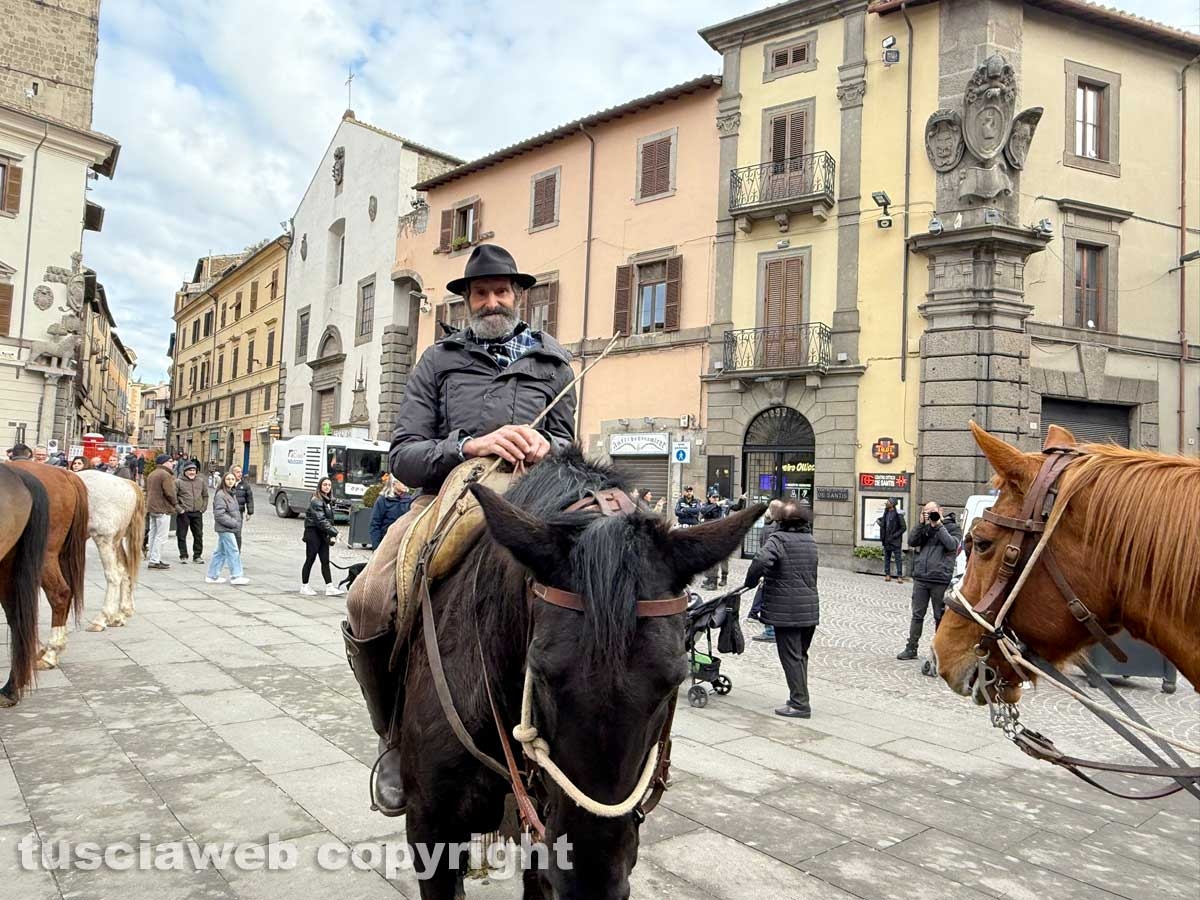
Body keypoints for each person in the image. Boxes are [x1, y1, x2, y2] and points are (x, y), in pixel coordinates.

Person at [343, 244, 576, 817]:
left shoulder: (556, 364)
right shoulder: (437, 360)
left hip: (536, 502)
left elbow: (573, 447)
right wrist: (470, 445)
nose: (492, 300)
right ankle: (394, 737)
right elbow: (404, 454)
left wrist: (550, 447)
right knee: (367, 599)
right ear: (467, 300)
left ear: (518, 296)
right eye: (481, 293)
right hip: (449, 496)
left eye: (501, 291)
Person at [744, 500, 819, 719]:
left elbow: (760, 560)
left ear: (782, 521)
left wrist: (751, 581)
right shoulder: (810, 540)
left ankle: (799, 704)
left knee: (790, 656)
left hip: (787, 609)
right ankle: (800, 697)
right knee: (800, 655)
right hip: (809, 608)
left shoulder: (779, 539)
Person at [896, 501, 962, 660]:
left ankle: (940, 653)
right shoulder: (924, 528)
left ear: (941, 510)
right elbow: (912, 541)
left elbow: (952, 545)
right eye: (926, 512)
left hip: (940, 579)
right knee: (917, 614)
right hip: (921, 578)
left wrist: (939, 525)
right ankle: (911, 648)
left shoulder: (953, 527)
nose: (930, 514)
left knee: (940, 616)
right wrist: (920, 524)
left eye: (933, 511)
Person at [749, 499, 785, 642]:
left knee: (769, 598)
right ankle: (771, 629)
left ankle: (771, 629)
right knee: (770, 598)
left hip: (772, 569)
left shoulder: (770, 526)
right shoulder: (775, 527)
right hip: (774, 569)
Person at [301, 477, 343, 597]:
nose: (327, 487)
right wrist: (335, 532)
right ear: (320, 486)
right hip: (313, 532)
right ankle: (304, 586)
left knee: (325, 560)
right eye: (324, 485)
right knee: (310, 559)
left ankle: (329, 587)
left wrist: (331, 534)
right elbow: (321, 520)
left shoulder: (327, 500)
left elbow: (328, 521)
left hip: (322, 533)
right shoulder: (316, 500)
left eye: (329, 485)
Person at [207, 472, 250, 585]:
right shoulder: (221, 494)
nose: (230, 481)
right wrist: (233, 523)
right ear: (223, 481)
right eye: (228, 479)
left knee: (220, 552)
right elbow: (219, 514)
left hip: (228, 527)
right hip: (225, 527)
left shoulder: (232, 493)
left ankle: (212, 575)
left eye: (232, 479)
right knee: (233, 550)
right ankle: (236, 575)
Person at [699, 488, 746, 589]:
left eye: (717, 497)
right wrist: (716, 505)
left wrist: (741, 500)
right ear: (709, 498)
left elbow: (737, 507)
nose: (716, 499)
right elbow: (703, 511)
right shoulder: (708, 506)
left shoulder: (725, 503)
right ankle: (710, 579)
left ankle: (719, 579)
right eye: (713, 497)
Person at [145, 455, 177, 569]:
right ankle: (155, 559)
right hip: (162, 508)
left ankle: (153, 557)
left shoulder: (153, 473)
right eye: (170, 461)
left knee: (153, 534)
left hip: (152, 507)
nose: (172, 463)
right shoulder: (165, 474)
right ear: (164, 462)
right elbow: (170, 492)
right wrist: (175, 504)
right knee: (161, 536)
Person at [175, 460, 208, 563]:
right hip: (184, 512)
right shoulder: (178, 482)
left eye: (193, 470)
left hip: (197, 512)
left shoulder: (201, 481)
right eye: (189, 470)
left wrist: (203, 508)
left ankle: (197, 556)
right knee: (181, 535)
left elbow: (205, 495)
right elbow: (173, 498)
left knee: (198, 535)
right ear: (185, 471)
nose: (192, 472)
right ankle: (183, 555)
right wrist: (180, 509)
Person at [369, 477, 412, 549]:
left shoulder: (409, 500)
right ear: (394, 484)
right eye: (402, 482)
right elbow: (375, 524)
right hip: (386, 541)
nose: (405, 484)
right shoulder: (383, 500)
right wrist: (376, 547)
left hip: (403, 542)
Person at [877, 500, 907, 583]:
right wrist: (880, 523)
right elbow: (885, 524)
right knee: (887, 558)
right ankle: (887, 575)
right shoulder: (885, 513)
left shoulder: (898, 514)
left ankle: (899, 576)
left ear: (893, 504)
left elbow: (903, 528)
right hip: (886, 540)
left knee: (898, 559)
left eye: (888, 502)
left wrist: (894, 536)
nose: (886, 503)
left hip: (895, 541)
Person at [229, 465, 255, 550]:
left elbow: (249, 498)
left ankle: (237, 552)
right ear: (232, 473)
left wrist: (249, 512)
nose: (240, 474)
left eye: (241, 472)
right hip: (227, 513)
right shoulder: (227, 483)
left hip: (238, 513)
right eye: (237, 472)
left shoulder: (245, 485)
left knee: (237, 533)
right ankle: (226, 551)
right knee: (226, 533)